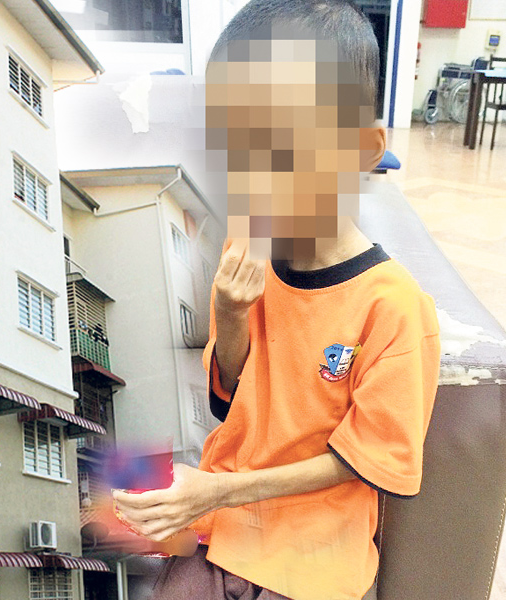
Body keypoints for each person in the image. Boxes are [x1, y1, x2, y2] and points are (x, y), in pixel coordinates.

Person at [111, 1, 441, 599]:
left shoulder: (392, 307)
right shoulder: (247, 252)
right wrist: (231, 312)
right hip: (219, 535)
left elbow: (370, 461)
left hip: (315, 558)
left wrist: (217, 490)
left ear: (363, 149)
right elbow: (228, 398)